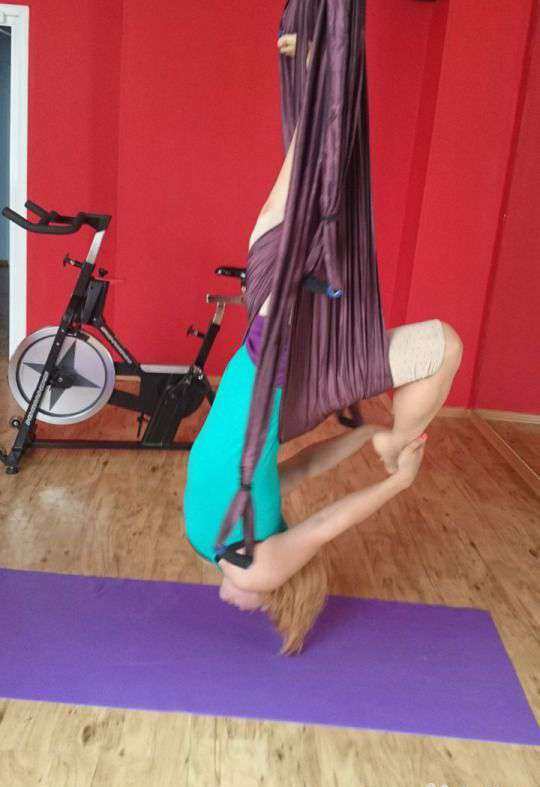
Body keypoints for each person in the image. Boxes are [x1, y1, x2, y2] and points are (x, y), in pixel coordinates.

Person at [182, 35, 463, 655]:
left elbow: (303, 466)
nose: (242, 607)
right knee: (440, 344)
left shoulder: (233, 532)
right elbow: (328, 520)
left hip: (276, 388)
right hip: (274, 380)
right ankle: (327, 67)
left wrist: (365, 438)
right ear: (280, 590)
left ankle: (318, 80)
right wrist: (392, 477)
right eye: (265, 610)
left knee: (274, 228)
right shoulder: (255, 566)